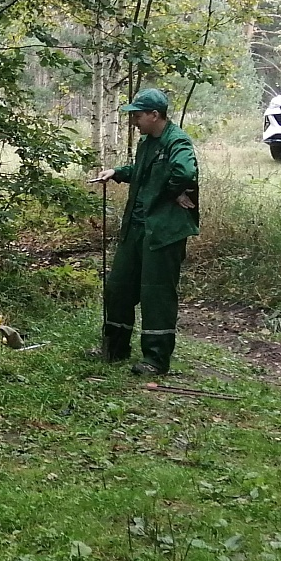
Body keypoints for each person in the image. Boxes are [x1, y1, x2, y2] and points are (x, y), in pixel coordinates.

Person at [87, 88, 199, 375]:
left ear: (155, 115)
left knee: (156, 293)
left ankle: (156, 359)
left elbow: (184, 174)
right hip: (136, 229)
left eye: (137, 115)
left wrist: (169, 193)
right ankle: (114, 348)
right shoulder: (147, 142)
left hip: (163, 231)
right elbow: (142, 170)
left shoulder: (178, 142)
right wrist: (118, 173)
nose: (134, 120)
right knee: (119, 287)